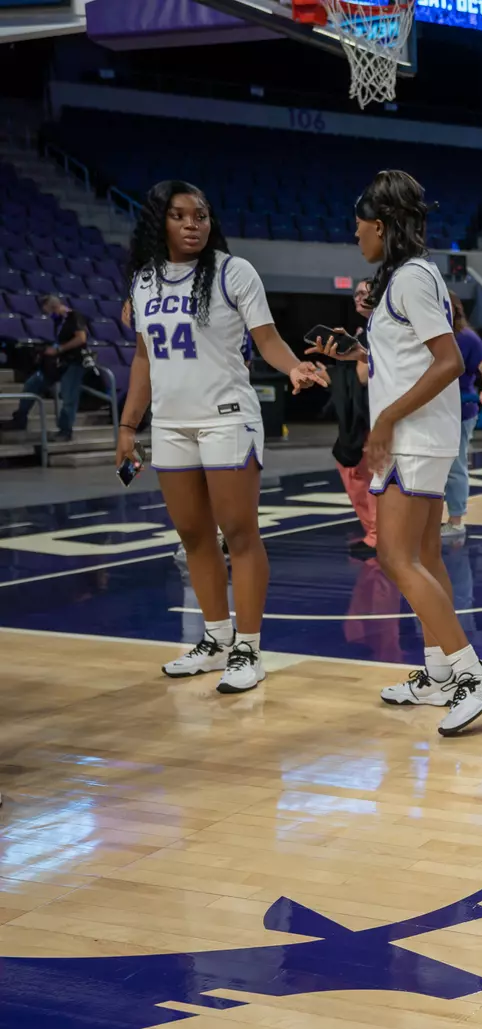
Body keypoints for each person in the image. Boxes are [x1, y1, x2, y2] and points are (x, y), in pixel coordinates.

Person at [311, 169, 482, 736]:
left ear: (381, 225)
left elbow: (449, 362)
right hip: (422, 435)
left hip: (416, 437)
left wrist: (389, 418)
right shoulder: (406, 279)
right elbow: (405, 360)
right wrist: (349, 351)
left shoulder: (412, 280)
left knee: (396, 558)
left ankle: (474, 675)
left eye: (360, 227)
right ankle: (439, 673)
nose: (356, 237)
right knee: (424, 556)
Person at [114, 181, 327, 693]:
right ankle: (215, 639)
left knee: (239, 533)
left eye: (201, 215)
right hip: (170, 423)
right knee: (192, 535)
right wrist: (127, 426)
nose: (193, 225)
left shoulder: (235, 272)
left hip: (227, 417)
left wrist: (296, 368)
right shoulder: (143, 281)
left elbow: (268, 340)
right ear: (158, 222)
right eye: (180, 216)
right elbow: (144, 359)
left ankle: (248, 649)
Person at [440, 297, 482, 541]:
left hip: (460, 410)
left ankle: (455, 520)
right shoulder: (426, 336)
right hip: (431, 410)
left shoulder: (467, 338)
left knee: (455, 464)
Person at [4, 294, 94, 441]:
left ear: (54, 307)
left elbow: (81, 338)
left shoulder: (74, 317)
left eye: (48, 311)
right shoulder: (58, 321)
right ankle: (20, 418)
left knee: (68, 396)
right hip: (59, 362)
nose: (48, 315)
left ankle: (65, 431)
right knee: (32, 384)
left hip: (75, 362)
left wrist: (58, 349)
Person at [329, 278, 377, 559]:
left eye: (364, 293)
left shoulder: (379, 330)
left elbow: (362, 375)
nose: (358, 297)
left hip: (373, 418)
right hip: (360, 417)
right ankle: (374, 532)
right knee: (352, 468)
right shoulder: (365, 331)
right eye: (355, 293)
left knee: (367, 475)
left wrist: (344, 364)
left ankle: (377, 536)